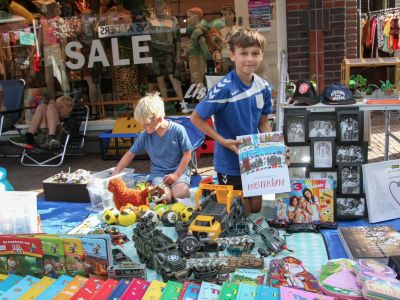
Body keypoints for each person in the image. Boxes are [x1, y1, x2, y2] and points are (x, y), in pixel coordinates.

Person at [190, 28, 272, 215]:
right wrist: (222, 141)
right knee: (241, 213)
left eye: (255, 53)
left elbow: (263, 123)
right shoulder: (223, 89)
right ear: (233, 55)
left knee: (257, 208)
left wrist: (275, 147)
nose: (250, 59)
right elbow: (196, 118)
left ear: (261, 56)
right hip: (230, 162)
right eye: (244, 53)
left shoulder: (263, 86)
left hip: (254, 159)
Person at [112, 93, 192, 203]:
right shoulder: (145, 135)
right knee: (162, 198)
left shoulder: (178, 130)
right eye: (141, 124)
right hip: (159, 174)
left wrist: (177, 174)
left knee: (180, 194)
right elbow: (130, 154)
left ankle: (177, 190)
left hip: (179, 172)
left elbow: (187, 154)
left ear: (159, 119)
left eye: (146, 124)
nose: (142, 127)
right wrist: (116, 173)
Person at [9, 95, 74, 150]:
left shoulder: (71, 120)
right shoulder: (54, 116)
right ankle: (29, 136)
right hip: (43, 137)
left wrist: (57, 123)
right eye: (57, 107)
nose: (58, 109)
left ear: (69, 109)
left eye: (61, 107)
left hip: (58, 140)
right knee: (42, 106)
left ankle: (51, 137)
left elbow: (71, 135)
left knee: (51, 106)